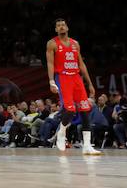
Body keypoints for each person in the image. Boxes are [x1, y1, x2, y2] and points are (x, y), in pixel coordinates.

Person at [46, 18, 101, 155]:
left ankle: (87, 145)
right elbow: (50, 64)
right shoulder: (52, 43)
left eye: (63, 25)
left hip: (76, 78)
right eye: (58, 26)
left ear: (67, 27)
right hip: (63, 77)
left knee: (85, 109)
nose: (61, 27)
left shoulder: (75, 43)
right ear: (56, 29)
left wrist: (90, 84)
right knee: (69, 110)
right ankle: (61, 132)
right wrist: (51, 81)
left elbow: (81, 64)